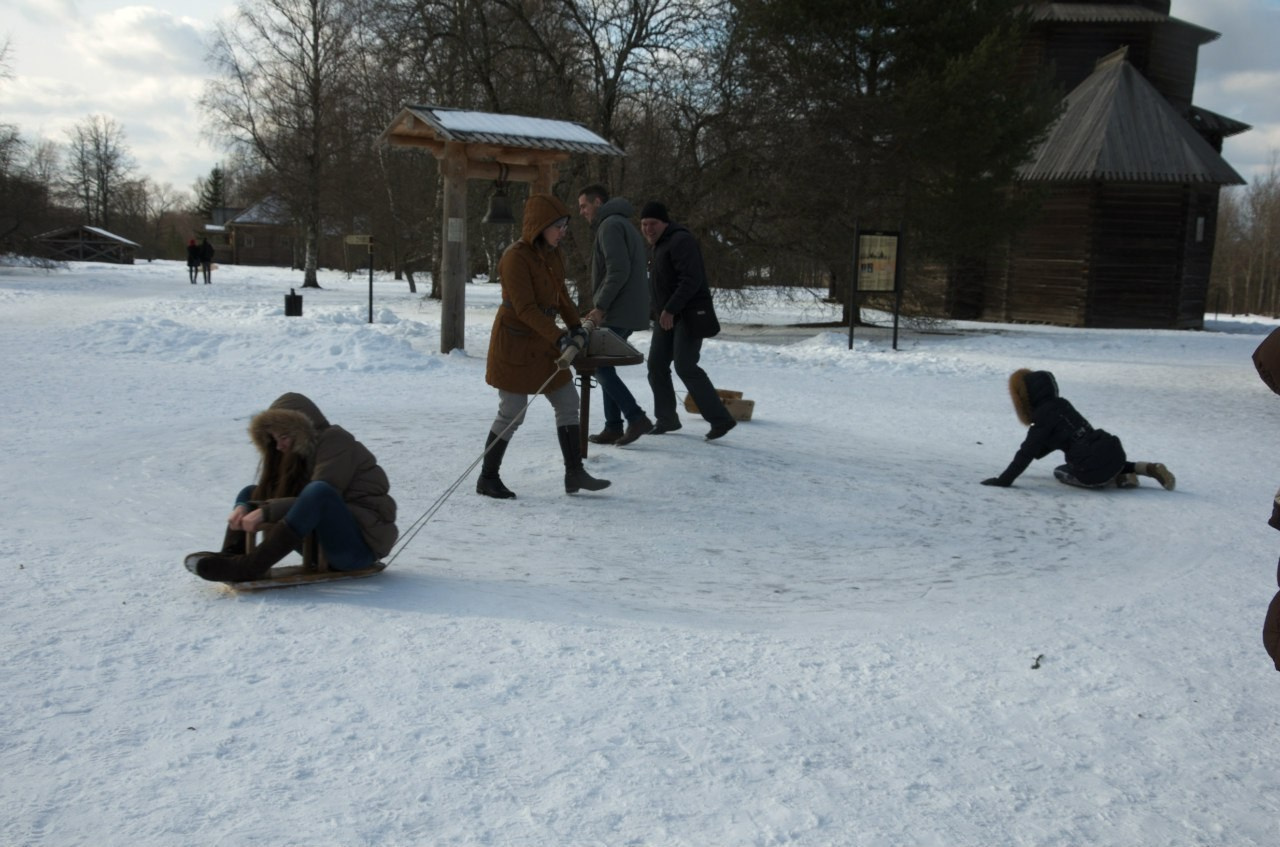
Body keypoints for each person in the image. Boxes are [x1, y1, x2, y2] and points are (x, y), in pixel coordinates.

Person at [477, 192, 610, 499]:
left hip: (546, 341)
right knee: (513, 410)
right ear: (540, 226)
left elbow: (560, 294)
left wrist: (575, 325)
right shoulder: (514, 258)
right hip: (515, 344)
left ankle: (574, 473)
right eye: (558, 226)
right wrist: (560, 337)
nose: (563, 232)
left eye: (565, 225)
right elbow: (525, 309)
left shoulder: (552, 254)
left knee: (567, 402)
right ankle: (487, 477)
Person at [185, 392, 398, 582]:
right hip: (321, 547)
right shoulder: (297, 457)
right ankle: (232, 555)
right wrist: (243, 505)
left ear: (303, 430)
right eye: (275, 439)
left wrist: (267, 511)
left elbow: (322, 498)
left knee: (319, 491)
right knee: (252, 492)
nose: (279, 446)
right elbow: (268, 495)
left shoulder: (336, 440)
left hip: (356, 549)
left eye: (284, 437)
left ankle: (251, 566)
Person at [981, 368, 1176, 490]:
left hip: (1089, 462)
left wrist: (1004, 479)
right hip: (1110, 449)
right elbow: (1062, 434)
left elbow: (1026, 452)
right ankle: (1147, 468)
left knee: (1062, 471)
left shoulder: (1042, 417)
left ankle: (1120, 481)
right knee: (1106, 460)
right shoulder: (1063, 404)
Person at [638, 201, 736, 440]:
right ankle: (667, 419)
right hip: (666, 316)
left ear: (665, 222)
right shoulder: (658, 245)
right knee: (656, 366)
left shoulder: (681, 240)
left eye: (653, 223)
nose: (648, 229)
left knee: (685, 366)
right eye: (644, 224)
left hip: (689, 315)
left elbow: (691, 280)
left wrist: (670, 309)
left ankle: (721, 420)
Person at [577, 184, 654, 446]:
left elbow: (618, 271)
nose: (582, 212)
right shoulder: (619, 223)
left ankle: (635, 417)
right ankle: (613, 426)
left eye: (584, 206)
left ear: (597, 202)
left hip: (619, 310)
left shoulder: (609, 226)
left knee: (599, 364)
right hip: (625, 308)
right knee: (604, 363)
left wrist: (600, 306)